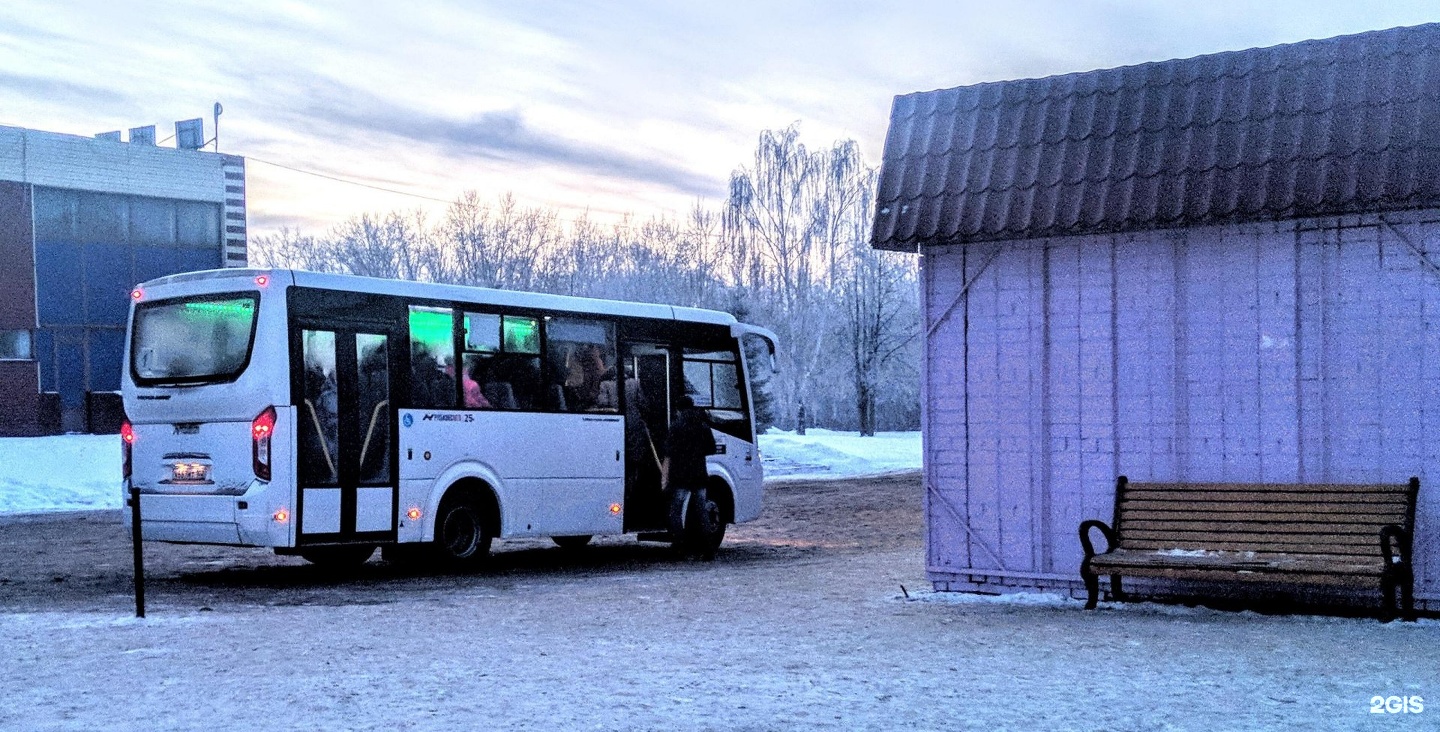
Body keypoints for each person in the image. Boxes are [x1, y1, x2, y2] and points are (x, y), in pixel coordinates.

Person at [662, 394, 720, 559]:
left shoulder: (676, 426)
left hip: (681, 475)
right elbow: (711, 448)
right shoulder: (703, 426)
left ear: (679, 409)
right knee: (701, 511)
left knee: (675, 511)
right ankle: (709, 549)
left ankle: (680, 547)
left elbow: (669, 450)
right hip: (699, 474)